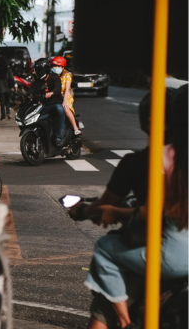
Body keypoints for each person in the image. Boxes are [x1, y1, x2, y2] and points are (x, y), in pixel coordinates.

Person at [71, 85, 188, 329]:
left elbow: (151, 210)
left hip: (165, 256)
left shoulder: (150, 160)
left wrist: (89, 211)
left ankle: (124, 321)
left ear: (146, 122)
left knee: (105, 251)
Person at [30, 58, 65, 146]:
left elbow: (58, 89)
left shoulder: (55, 77)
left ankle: (59, 136)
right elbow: (31, 91)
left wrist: (51, 93)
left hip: (54, 104)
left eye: (40, 70)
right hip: (43, 106)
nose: (38, 72)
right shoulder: (37, 81)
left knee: (60, 109)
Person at [51, 56, 81, 135]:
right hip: (54, 96)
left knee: (66, 108)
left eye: (58, 66)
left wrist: (64, 101)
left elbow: (67, 89)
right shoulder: (51, 75)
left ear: (62, 67)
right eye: (55, 66)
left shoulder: (67, 75)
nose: (56, 68)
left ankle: (75, 128)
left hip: (66, 96)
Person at [0, 55, 17, 120]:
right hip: (8, 89)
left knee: (2, 103)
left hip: (1, 89)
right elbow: (12, 79)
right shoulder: (8, 70)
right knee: (7, 102)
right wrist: (15, 86)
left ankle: (3, 116)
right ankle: (8, 112)